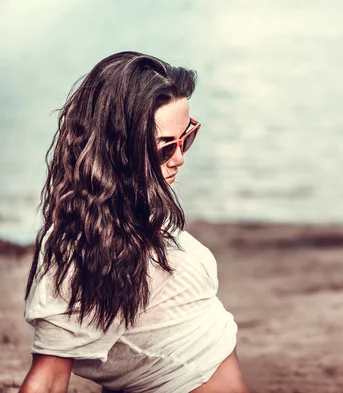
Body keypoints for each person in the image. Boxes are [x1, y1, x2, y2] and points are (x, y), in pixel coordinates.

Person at [18, 51, 249, 393]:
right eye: (164, 149)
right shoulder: (82, 247)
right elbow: (49, 378)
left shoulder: (135, 212)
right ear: (119, 149)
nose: (180, 158)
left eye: (187, 137)